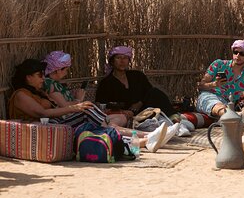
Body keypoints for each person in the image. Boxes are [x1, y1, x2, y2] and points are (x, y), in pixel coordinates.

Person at [8, 59, 171, 152]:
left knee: (96, 125)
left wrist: (76, 105)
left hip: (55, 124)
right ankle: (146, 135)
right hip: (46, 127)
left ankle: (145, 138)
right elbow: (43, 112)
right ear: (28, 77)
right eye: (39, 76)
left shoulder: (39, 92)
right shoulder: (21, 95)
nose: (42, 79)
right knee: (89, 110)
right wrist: (75, 108)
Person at [43, 50, 128, 127]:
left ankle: (110, 127)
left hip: (73, 115)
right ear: (58, 70)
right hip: (64, 120)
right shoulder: (50, 84)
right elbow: (64, 106)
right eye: (66, 70)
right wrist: (78, 100)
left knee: (122, 117)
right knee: (88, 109)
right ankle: (131, 134)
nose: (66, 73)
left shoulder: (56, 84)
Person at [95, 46, 175, 117]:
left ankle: (174, 117)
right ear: (112, 61)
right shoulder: (106, 83)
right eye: (118, 58)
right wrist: (122, 112)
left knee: (155, 92)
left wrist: (139, 103)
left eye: (125, 58)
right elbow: (102, 105)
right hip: (124, 114)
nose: (122, 61)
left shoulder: (137, 75)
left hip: (144, 110)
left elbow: (149, 91)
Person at [196, 40, 244, 117]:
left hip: (229, 104)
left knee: (227, 110)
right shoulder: (219, 64)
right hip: (210, 97)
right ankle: (228, 115)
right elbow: (200, 85)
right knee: (219, 107)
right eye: (235, 52)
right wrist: (214, 84)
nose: (237, 56)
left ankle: (229, 115)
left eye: (242, 54)